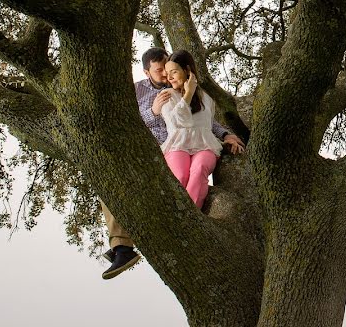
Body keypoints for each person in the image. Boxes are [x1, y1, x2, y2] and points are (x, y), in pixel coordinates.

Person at [100, 47, 245, 279]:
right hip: (149, 151)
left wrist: (225, 133)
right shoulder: (136, 91)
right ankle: (123, 247)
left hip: (182, 149)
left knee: (184, 177)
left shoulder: (180, 85)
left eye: (168, 67)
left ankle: (169, 228)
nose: (166, 74)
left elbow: (202, 120)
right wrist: (152, 111)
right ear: (147, 72)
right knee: (110, 181)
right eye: (160, 71)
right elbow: (124, 121)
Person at [159, 50, 228, 208]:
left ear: (187, 71)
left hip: (205, 145)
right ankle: (177, 214)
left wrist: (227, 135)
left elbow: (209, 125)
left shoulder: (206, 98)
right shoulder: (167, 95)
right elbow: (178, 122)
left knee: (199, 169)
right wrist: (188, 93)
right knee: (181, 175)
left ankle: (191, 215)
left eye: (174, 72)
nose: (169, 77)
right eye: (167, 73)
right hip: (177, 145)